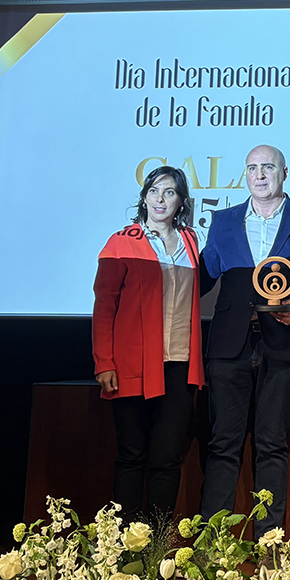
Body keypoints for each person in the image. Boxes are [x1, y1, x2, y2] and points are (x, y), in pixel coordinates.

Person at [198, 145, 290, 535]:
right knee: (223, 444)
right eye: (252, 168)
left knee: (272, 444)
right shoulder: (223, 222)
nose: (259, 175)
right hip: (229, 346)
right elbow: (202, 278)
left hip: (283, 344)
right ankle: (213, 542)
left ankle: (268, 543)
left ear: (284, 173)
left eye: (268, 167)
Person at [92, 165, 204, 520]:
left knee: (167, 458)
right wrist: (104, 362)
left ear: (181, 201)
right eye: (154, 191)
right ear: (144, 198)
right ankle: (127, 538)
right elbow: (104, 306)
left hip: (179, 364)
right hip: (132, 366)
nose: (160, 199)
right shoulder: (121, 242)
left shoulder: (190, 241)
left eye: (169, 192)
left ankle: (157, 538)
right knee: (132, 455)